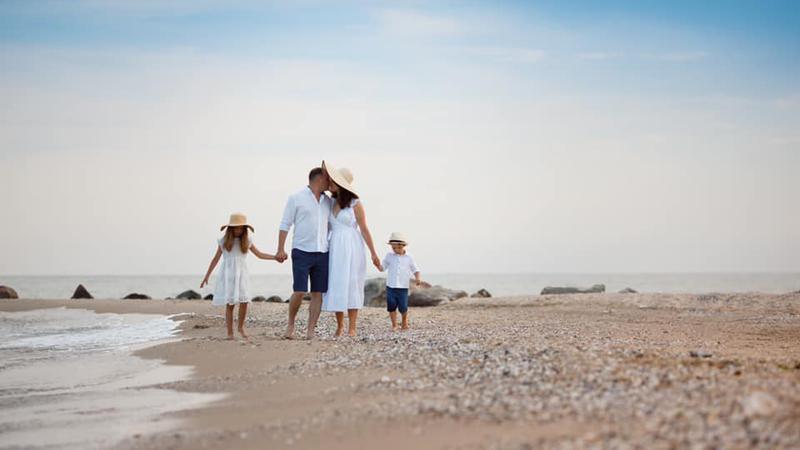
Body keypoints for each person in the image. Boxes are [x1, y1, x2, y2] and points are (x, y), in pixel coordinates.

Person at [321, 161, 381, 337]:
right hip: (335, 247)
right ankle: (340, 325)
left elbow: (364, 228)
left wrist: (374, 253)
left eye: (333, 180)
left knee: (353, 284)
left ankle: (352, 327)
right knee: (337, 283)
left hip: (352, 246)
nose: (330, 183)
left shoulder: (355, 202)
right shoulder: (329, 202)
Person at [276, 167, 332, 340]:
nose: (329, 183)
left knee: (318, 293)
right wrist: (280, 248)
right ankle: (291, 324)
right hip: (301, 250)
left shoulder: (328, 202)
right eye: (327, 179)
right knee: (299, 291)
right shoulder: (296, 198)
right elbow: (285, 224)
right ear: (319, 179)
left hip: (322, 252)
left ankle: (310, 331)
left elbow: (330, 227)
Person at [201, 213, 276, 340]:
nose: (238, 230)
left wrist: (275, 257)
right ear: (230, 228)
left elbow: (259, 254)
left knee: (244, 301)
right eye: (236, 228)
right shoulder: (224, 241)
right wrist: (207, 276)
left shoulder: (247, 241)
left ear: (244, 229)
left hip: (242, 274)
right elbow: (215, 259)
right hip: (228, 274)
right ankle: (230, 333)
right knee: (230, 304)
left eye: (241, 228)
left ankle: (241, 327)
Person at [379, 232, 421, 331]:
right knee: (391, 306)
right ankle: (394, 325)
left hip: (403, 286)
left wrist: (417, 278)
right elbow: (383, 268)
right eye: (392, 248)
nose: (394, 250)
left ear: (402, 246)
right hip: (391, 286)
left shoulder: (409, 257)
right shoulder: (389, 255)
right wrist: (377, 264)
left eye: (396, 248)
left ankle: (404, 322)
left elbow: (415, 269)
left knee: (403, 307)